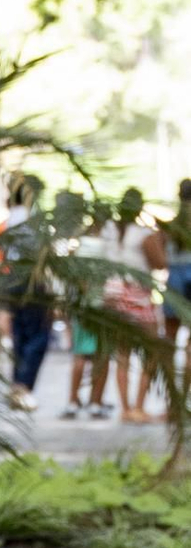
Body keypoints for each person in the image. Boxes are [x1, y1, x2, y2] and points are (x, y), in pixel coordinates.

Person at [101, 189, 166, 424]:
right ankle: (138, 406)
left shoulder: (109, 230)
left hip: (113, 293)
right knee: (151, 352)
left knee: (122, 355)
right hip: (137, 294)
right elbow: (160, 263)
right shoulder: (143, 234)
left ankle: (126, 408)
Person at [57, 196, 112, 422]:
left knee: (80, 355)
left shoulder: (79, 243)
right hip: (99, 306)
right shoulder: (105, 245)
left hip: (82, 306)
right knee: (101, 356)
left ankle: (73, 401)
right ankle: (95, 403)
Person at [1, 175, 50, 413]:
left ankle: (17, 386)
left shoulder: (8, 219)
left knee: (20, 335)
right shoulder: (33, 219)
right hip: (30, 282)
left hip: (12, 281)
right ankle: (23, 386)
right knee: (37, 336)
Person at [158, 178, 191, 385]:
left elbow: (161, 259)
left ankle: (172, 394)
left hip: (174, 280)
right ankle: (185, 392)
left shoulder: (169, 226)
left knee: (169, 340)